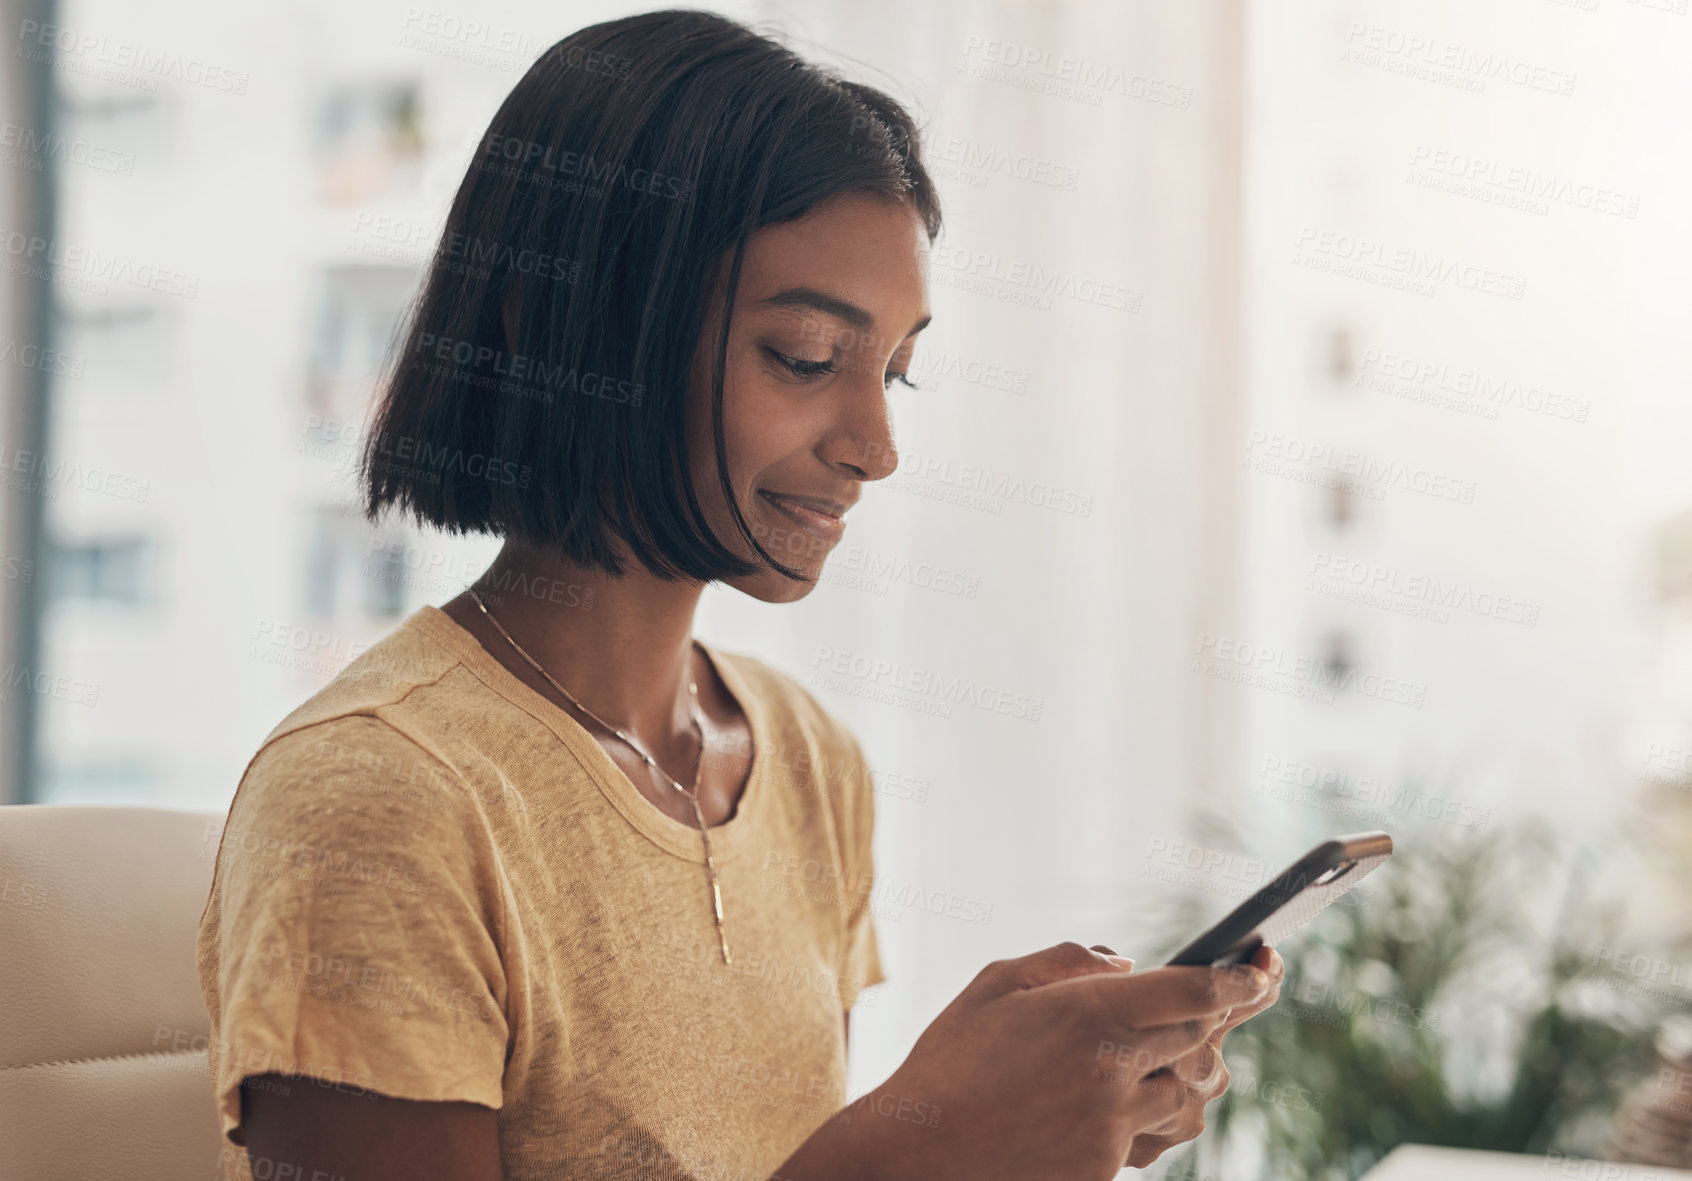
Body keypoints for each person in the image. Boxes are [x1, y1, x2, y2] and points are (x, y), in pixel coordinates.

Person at [195, 9, 1284, 1180]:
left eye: (896, 371)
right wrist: (928, 1146)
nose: (875, 443)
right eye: (809, 355)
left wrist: (1025, 1131)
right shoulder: (380, 798)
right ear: (562, 323)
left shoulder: (808, 762)